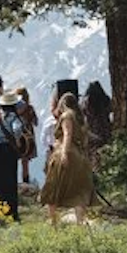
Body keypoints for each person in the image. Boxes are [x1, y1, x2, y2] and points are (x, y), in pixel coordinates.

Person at [40, 92, 93, 225]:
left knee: (54, 188)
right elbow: (85, 139)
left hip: (64, 153)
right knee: (79, 191)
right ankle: (80, 223)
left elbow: (67, 134)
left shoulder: (66, 116)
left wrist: (64, 153)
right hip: (80, 156)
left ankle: (53, 223)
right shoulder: (81, 118)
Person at [0, 92, 25, 220]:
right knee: (10, 180)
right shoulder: (14, 117)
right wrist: (18, 142)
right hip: (8, 150)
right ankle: (11, 211)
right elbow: (17, 130)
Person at [82, 81, 113, 169]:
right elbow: (112, 108)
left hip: (92, 134)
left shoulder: (85, 102)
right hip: (105, 132)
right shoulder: (105, 100)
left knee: (93, 158)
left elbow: (80, 113)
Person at [13, 86, 38, 184]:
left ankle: (14, 181)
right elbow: (35, 122)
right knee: (25, 162)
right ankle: (25, 181)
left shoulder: (15, 108)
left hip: (17, 134)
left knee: (14, 159)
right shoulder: (30, 108)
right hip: (29, 136)